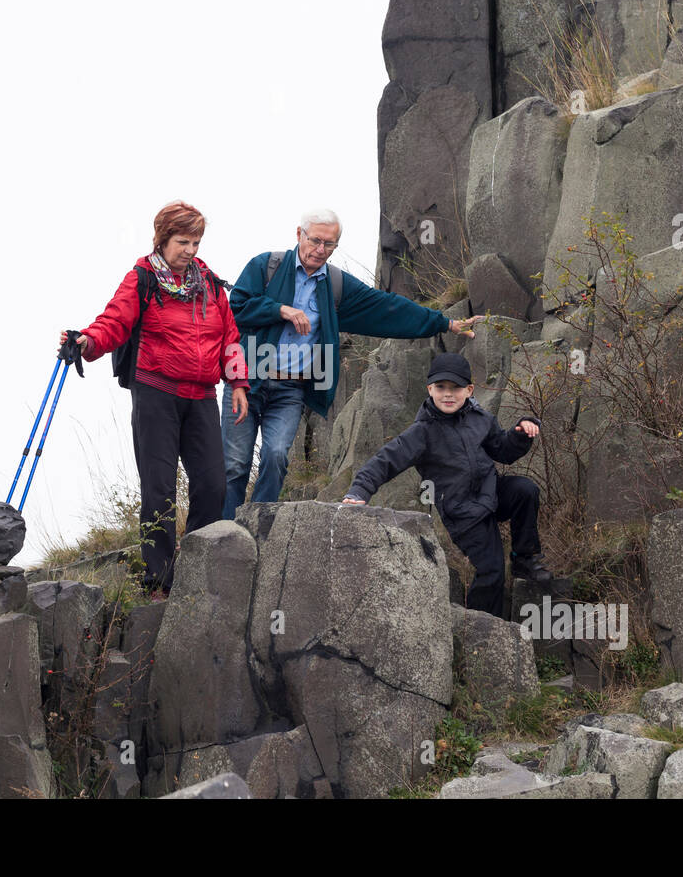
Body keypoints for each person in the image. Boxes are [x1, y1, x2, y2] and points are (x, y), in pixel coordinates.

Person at [222, 208, 481, 519]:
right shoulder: (267, 266)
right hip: (248, 381)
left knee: (276, 456)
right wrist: (281, 310)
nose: (321, 250)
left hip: (291, 388)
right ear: (299, 235)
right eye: (315, 240)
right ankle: (226, 531)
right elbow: (236, 306)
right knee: (235, 464)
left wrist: (445, 323)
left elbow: (387, 308)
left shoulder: (334, 285)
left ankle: (257, 526)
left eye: (329, 244)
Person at [66, 201, 249, 598]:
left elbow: (229, 337)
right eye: (183, 241)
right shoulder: (143, 278)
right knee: (159, 489)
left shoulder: (212, 284)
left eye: (196, 241)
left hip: (201, 396)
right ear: (163, 239)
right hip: (156, 395)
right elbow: (114, 320)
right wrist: (87, 341)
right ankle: (158, 582)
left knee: (213, 485)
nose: (191, 250)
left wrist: (237, 383)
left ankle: (195, 569)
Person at [340, 352, 549, 617]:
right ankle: (483, 633)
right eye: (441, 388)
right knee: (492, 570)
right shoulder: (422, 432)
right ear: (430, 389)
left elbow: (503, 450)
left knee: (525, 490)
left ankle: (524, 559)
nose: (448, 394)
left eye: (456, 388)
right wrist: (359, 490)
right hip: (463, 512)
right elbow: (385, 461)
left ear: (469, 390)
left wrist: (520, 433)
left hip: (490, 493)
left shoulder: (480, 418)